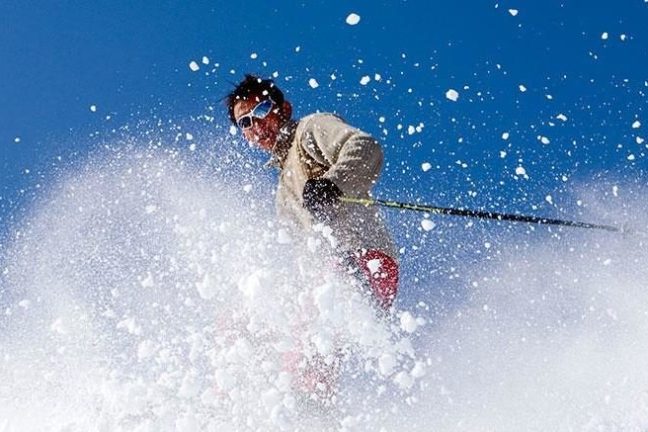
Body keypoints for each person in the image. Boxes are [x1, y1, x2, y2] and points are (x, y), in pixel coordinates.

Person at [225, 74, 399, 402]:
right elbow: (300, 258)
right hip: (323, 282)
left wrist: (334, 184)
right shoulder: (282, 194)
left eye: (260, 110)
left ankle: (308, 401)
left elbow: (365, 148)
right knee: (248, 329)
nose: (255, 125)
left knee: (310, 340)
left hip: (362, 259)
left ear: (283, 108)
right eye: (245, 122)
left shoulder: (311, 129)